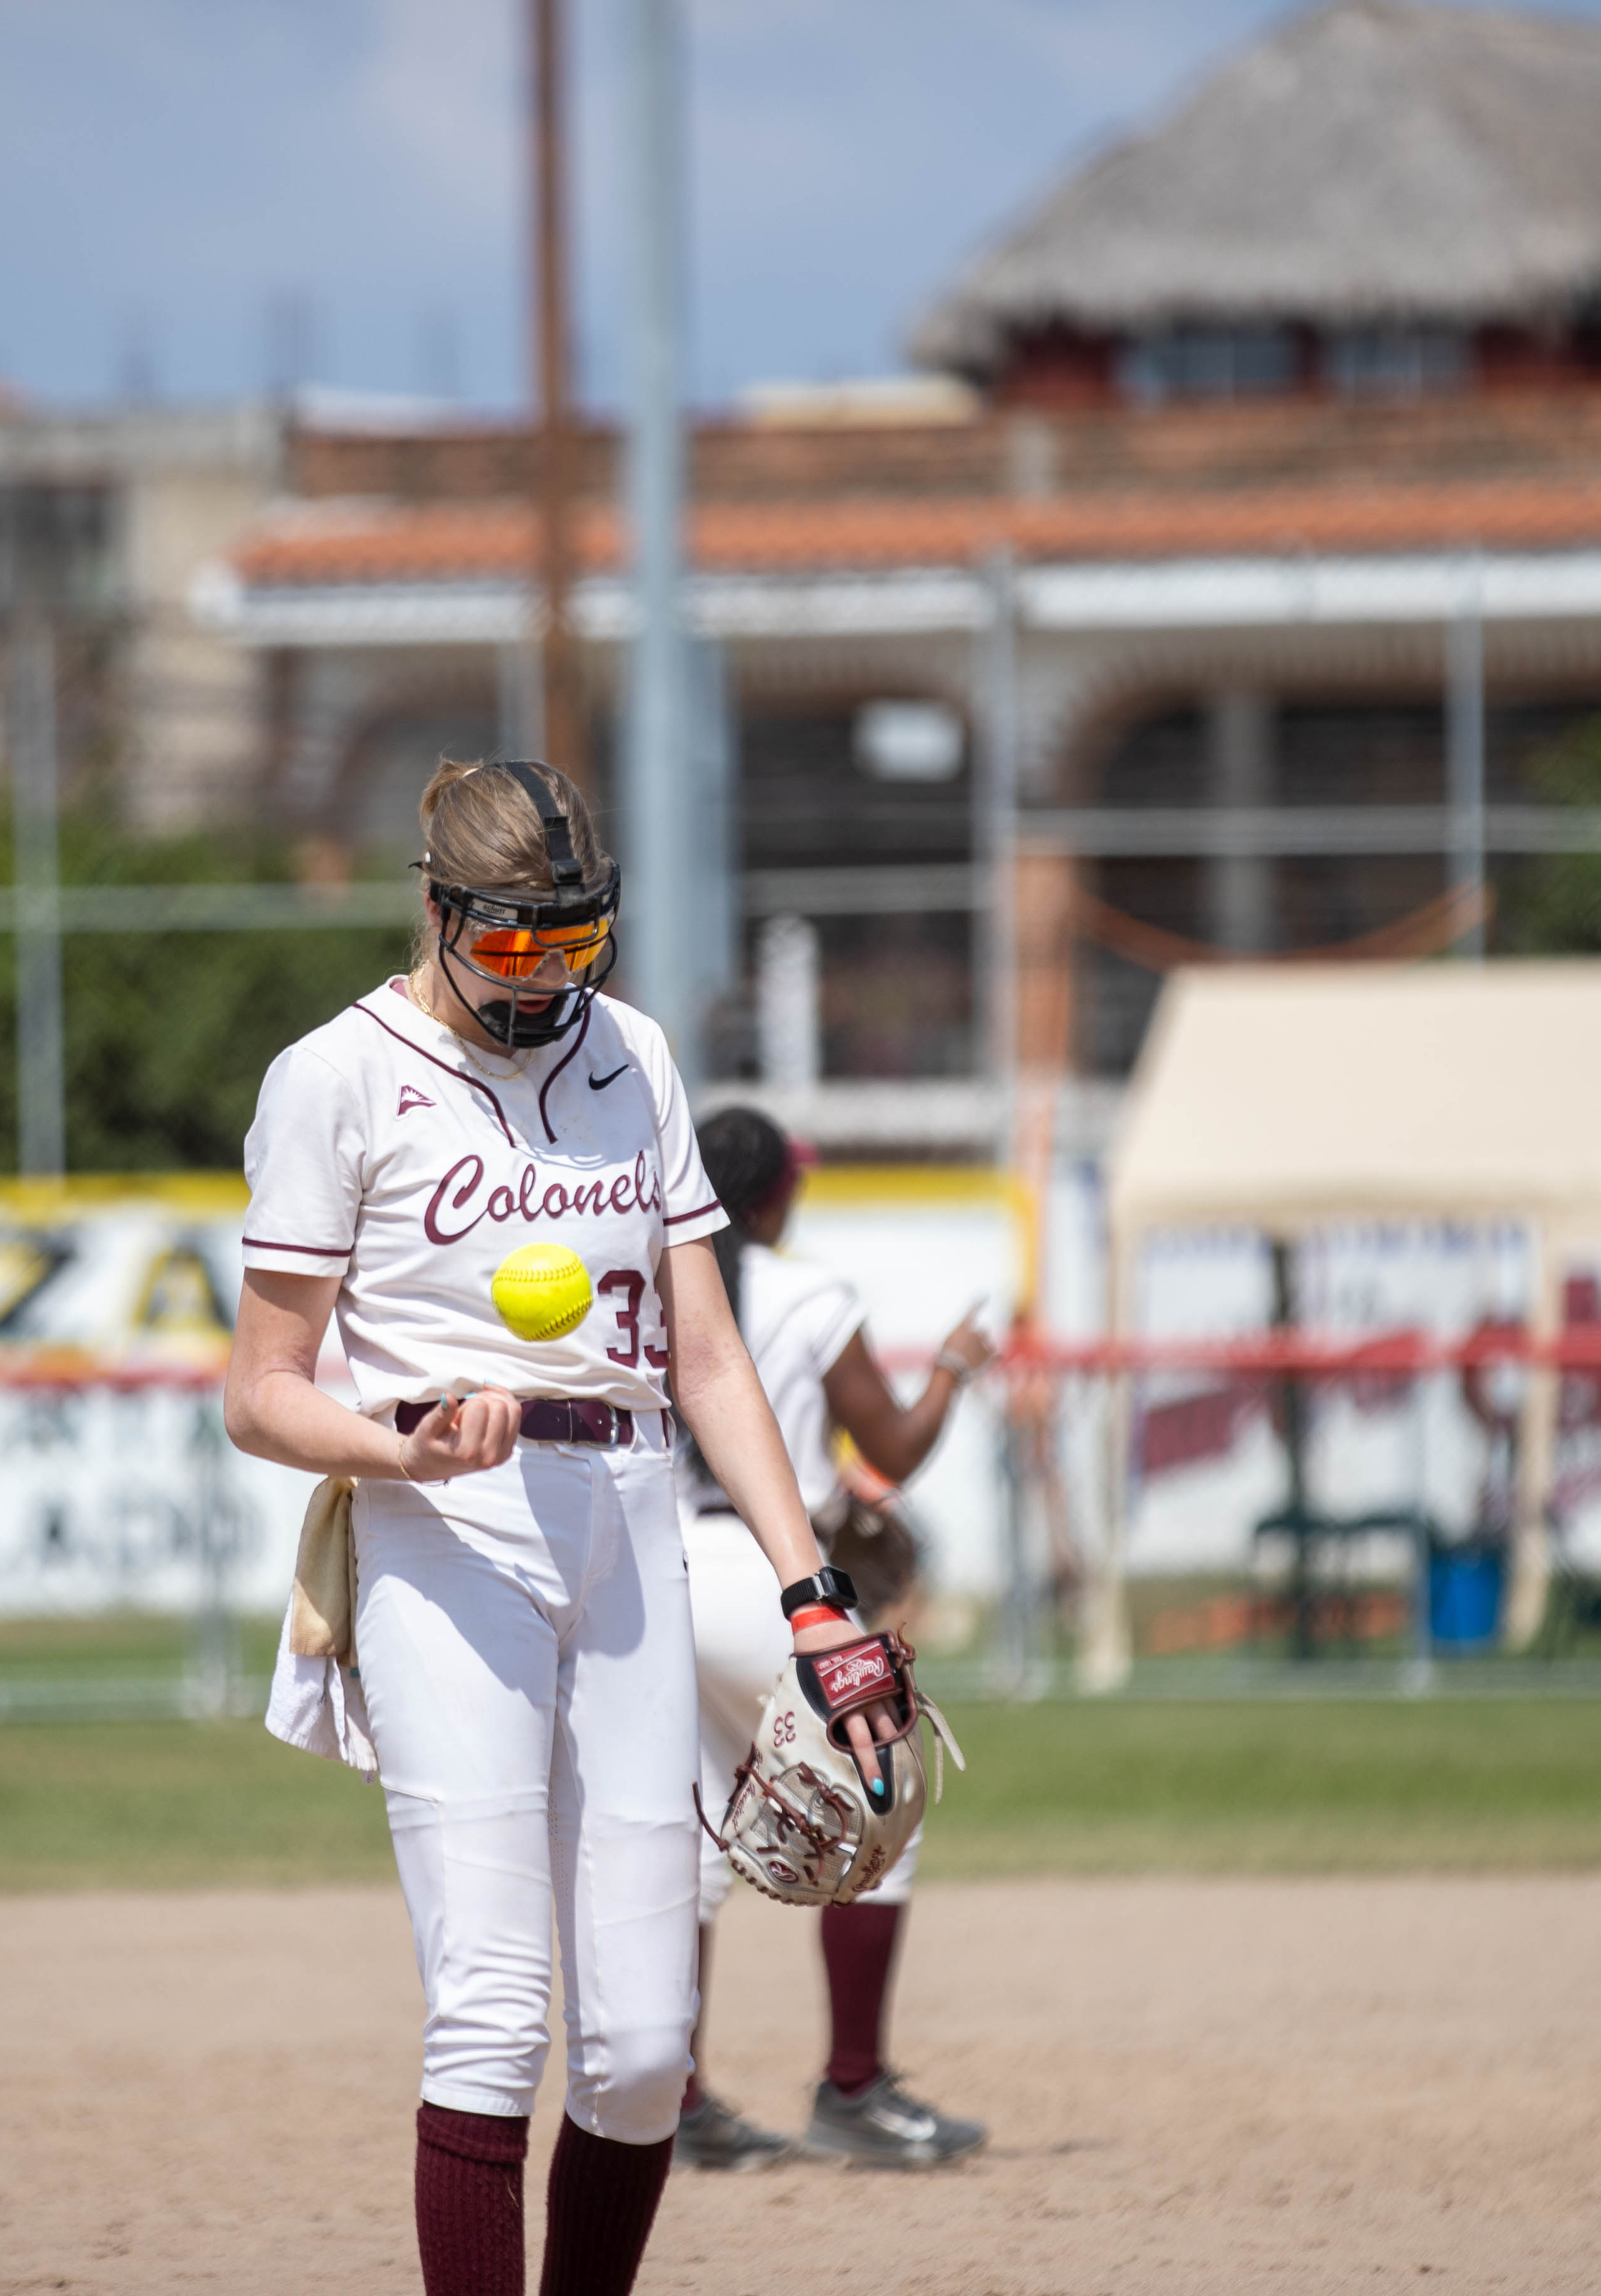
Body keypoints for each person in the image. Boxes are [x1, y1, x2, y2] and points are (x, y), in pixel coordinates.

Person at [226, 758, 914, 2296]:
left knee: (646, 2047)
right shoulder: (336, 1078)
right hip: (444, 1535)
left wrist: (813, 1596)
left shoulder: (633, 1055)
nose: (543, 973)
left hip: (630, 1515)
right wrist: (398, 1445)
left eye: (572, 938)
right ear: (433, 905)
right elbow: (259, 1393)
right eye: (509, 940)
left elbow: (711, 1358)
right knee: (491, 2013)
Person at [673, 1106, 996, 2173]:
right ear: (777, 1196)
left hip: (657, 1576)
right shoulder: (805, 1293)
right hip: (768, 1577)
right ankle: (854, 2087)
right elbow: (891, 1447)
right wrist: (951, 1368)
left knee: (693, 1842)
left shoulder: (655, 1283)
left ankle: (672, 2103)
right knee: (882, 1803)